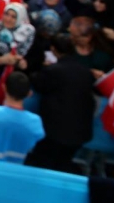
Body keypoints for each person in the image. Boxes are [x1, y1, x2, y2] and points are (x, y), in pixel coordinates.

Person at [25, 33, 97, 173]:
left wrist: (38, 70)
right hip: (79, 134)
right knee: (62, 165)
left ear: (53, 49)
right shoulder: (86, 72)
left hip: (55, 133)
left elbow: (39, 84)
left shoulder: (53, 71)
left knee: (42, 165)